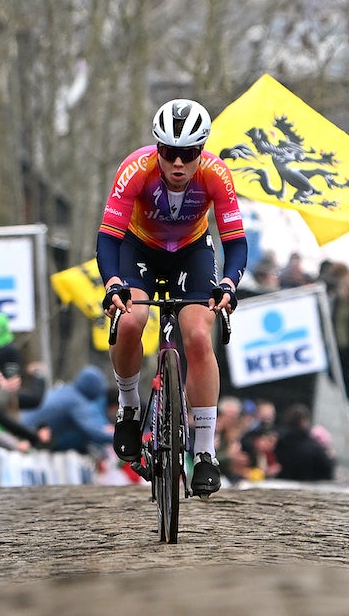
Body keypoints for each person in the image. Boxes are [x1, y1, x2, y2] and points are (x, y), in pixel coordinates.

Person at [98, 98, 248, 497]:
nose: (178, 164)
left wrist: (230, 284)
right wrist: (113, 282)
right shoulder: (134, 170)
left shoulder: (217, 174)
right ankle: (129, 404)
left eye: (189, 154)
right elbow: (109, 237)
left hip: (192, 250)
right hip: (139, 249)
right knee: (130, 320)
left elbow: (235, 242)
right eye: (169, 153)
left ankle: (203, 451)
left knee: (198, 335)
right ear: (157, 149)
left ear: (202, 152)